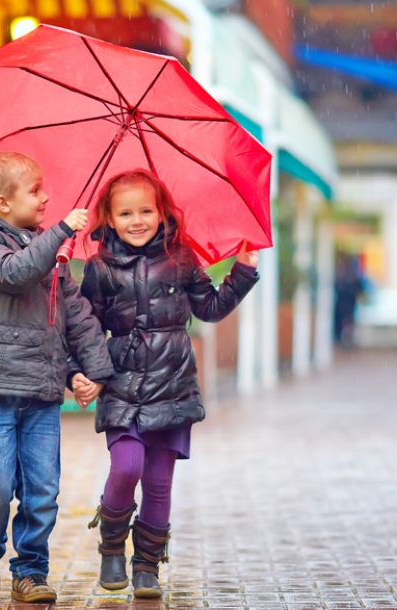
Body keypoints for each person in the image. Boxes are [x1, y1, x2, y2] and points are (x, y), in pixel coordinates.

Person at [71, 169, 260, 598]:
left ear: (162, 214)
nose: (136, 221)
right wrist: (80, 372)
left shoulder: (182, 258)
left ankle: (147, 567)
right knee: (127, 466)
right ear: (109, 218)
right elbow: (84, 328)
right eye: (125, 213)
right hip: (122, 383)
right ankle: (113, 548)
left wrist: (243, 272)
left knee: (159, 482)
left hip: (173, 384)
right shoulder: (99, 268)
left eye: (145, 211)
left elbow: (209, 308)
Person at [0, 151, 114, 603]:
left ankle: (31, 571)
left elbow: (78, 317)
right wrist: (63, 231)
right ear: (4, 203)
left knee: (42, 489)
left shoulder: (52, 253)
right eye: (36, 190)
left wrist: (93, 372)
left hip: (42, 391)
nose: (46, 198)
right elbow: (16, 272)